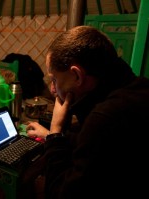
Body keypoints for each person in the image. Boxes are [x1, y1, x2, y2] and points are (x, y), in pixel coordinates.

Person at [26, 26, 149, 199]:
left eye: (54, 79)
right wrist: (52, 137)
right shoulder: (138, 88)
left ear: (77, 75)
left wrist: (55, 131)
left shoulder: (105, 117)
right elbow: (102, 147)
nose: (53, 89)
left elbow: (61, 193)